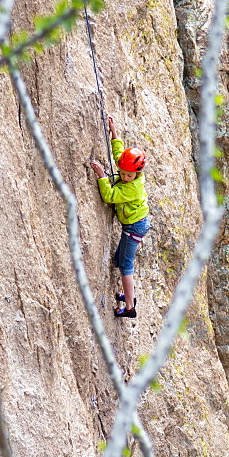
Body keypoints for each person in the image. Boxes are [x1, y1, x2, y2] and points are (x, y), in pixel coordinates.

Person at [89, 115, 150, 318]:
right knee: (120, 260)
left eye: (128, 175)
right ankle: (129, 294)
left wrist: (102, 176)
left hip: (134, 227)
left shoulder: (133, 187)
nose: (124, 177)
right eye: (122, 173)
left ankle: (130, 307)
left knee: (125, 265)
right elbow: (118, 154)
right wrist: (113, 131)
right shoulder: (128, 169)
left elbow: (109, 196)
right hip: (135, 225)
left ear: (137, 175)